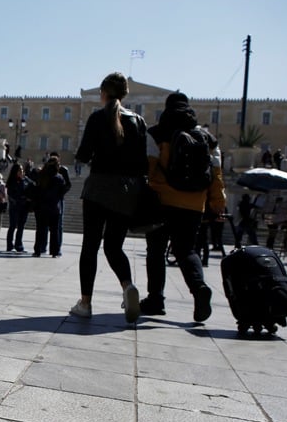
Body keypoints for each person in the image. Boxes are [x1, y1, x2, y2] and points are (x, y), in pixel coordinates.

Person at [141, 92, 225, 323]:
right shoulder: (208, 139)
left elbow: (147, 167)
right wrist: (217, 203)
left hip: (162, 202)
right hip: (194, 204)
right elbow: (216, 175)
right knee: (187, 250)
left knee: (156, 251)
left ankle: (156, 299)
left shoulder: (156, 134)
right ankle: (199, 288)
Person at [70, 72, 146, 323]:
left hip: (99, 188)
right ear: (125, 94)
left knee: (90, 247)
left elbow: (83, 154)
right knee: (114, 246)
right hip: (127, 192)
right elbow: (142, 162)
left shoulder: (96, 118)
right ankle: (127, 286)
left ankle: (85, 303)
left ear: (103, 92)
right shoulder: (138, 121)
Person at [32, 156, 66, 257]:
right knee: (54, 231)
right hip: (54, 208)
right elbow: (62, 192)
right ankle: (54, 252)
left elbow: (36, 189)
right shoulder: (59, 177)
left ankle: (38, 250)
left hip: (41, 207)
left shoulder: (41, 175)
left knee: (40, 230)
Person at [49, 151, 72, 254]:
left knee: (59, 225)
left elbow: (68, 184)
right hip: (48, 199)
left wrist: (60, 193)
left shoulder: (63, 170)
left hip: (59, 199)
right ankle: (43, 246)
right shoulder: (47, 169)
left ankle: (57, 247)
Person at [5, 162, 30, 253]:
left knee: (21, 227)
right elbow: (11, 195)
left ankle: (18, 245)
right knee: (12, 226)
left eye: (22, 170)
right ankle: (9, 244)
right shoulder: (12, 182)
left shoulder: (25, 180)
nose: (21, 172)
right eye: (19, 170)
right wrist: (21, 198)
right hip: (15, 207)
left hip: (24, 208)